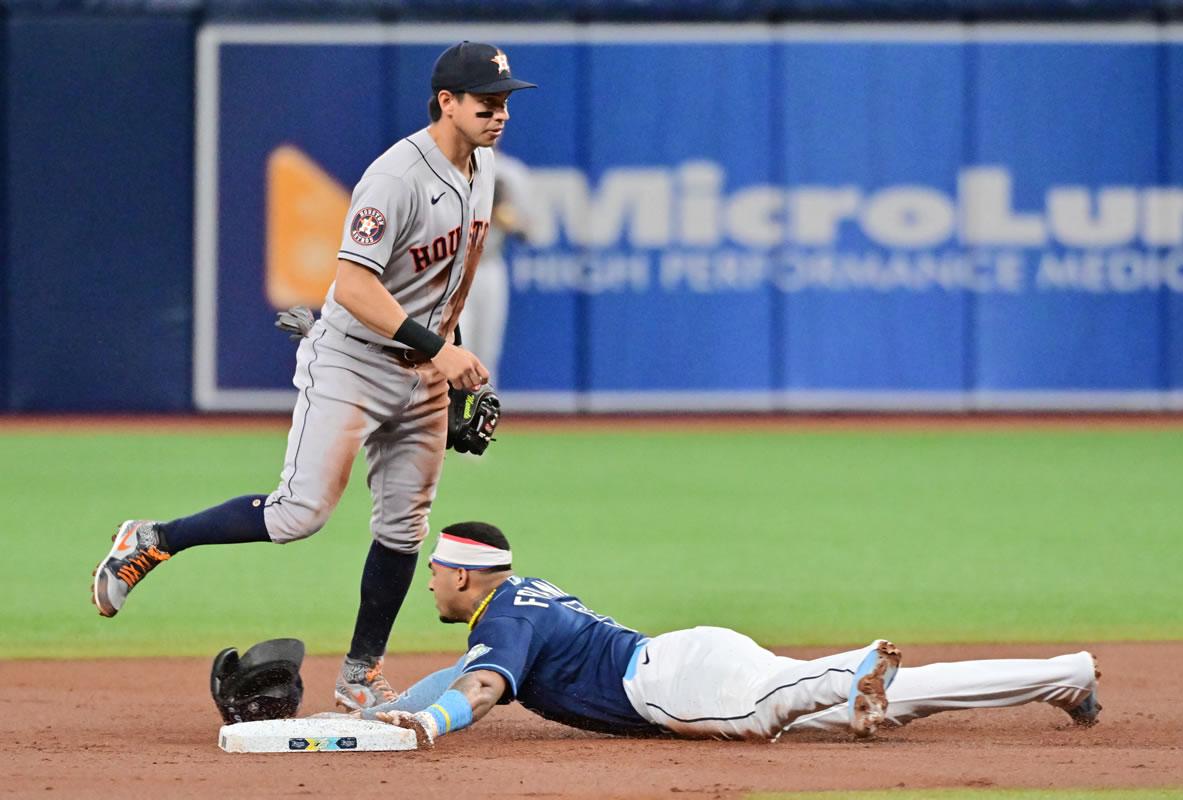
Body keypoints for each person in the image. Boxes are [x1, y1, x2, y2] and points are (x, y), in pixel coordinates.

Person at [91, 43, 537, 712]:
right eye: (486, 102)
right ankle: (153, 540)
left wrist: (450, 369)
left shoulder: (484, 167)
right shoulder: (395, 178)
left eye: (504, 102)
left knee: (404, 529)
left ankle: (361, 677)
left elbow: (450, 287)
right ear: (446, 101)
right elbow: (353, 285)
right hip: (354, 363)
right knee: (299, 514)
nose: (499, 114)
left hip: (423, 372)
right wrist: (438, 350)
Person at [362, 523, 1102, 748]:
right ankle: (1063, 675)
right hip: (688, 658)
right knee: (909, 697)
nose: (429, 583)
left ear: (466, 576)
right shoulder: (521, 598)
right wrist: (385, 714)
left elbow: (480, 688)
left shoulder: (505, 619)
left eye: (436, 572)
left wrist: (428, 725)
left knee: (761, 715)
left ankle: (853, 671)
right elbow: (463, 675)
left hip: (668, 683)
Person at [456, 150, 533, 388]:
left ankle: (483, 409)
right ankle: (452, 409)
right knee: (459, 346)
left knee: (487, 351)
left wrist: (506, 216)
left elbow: (529, 230)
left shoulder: (509, 172)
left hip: (488, 266)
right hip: (453, 267)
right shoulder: (445, 166)